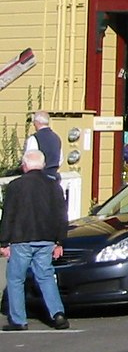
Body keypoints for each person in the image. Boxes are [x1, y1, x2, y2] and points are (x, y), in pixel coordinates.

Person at [0, 150, 70, 331]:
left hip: (21, 238)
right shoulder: (53, 185)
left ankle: (19, 320)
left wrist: (4, 242)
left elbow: (8, 215)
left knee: (16, 279)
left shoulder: (16, 186)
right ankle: (58, 313)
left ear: (24, 166)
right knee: (46, 276)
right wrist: (60, 241)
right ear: (43, 165)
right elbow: (62, 215)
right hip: (46, 238)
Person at [23, 111, 62, 181]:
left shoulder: (34, 138)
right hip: (54, 178)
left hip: (38, 179)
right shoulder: (56, 138)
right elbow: (60, 160)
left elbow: (29, 161)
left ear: (37, 122)